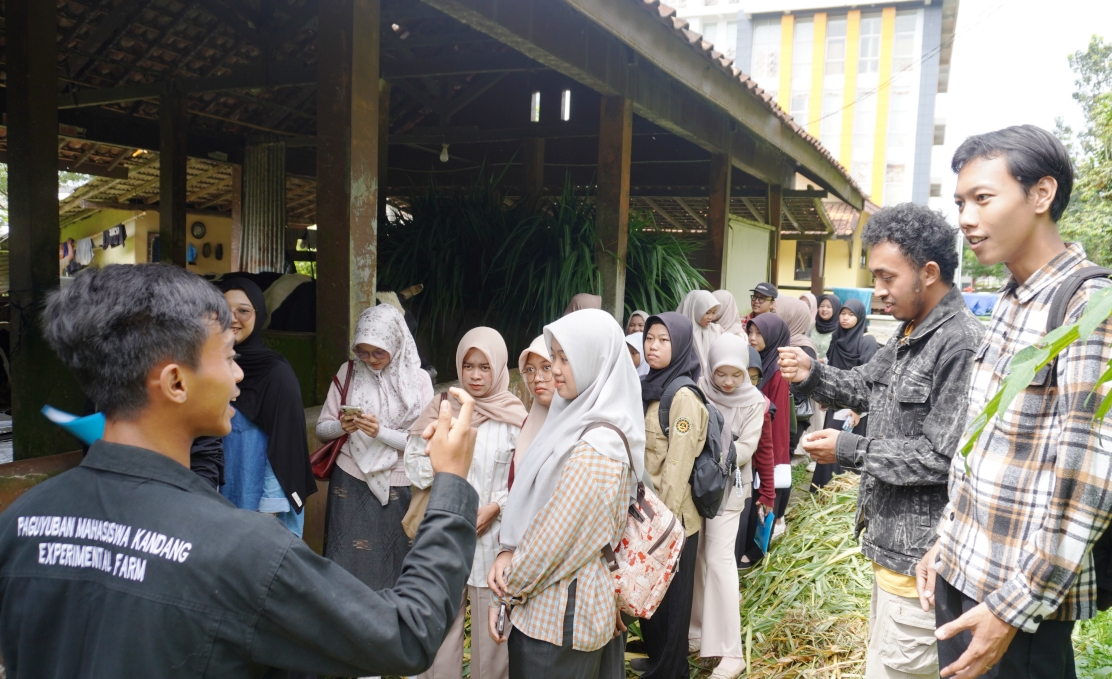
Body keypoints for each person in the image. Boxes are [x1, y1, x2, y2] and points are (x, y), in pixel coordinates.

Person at [0, 263, 481, 676]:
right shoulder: (240, 550)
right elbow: (407, 633)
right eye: (229, 356)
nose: (239, 374)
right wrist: (452, 483)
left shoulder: (23, 521)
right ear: (176, 382)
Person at [918, 125, 1112, 679]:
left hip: (1013, 601)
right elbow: (982, 446)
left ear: (1041, 194)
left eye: (983, 198)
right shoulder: (1009, 299)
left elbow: (1088, 479)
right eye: (960, 203)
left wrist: (1014, 607)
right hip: (963, 571)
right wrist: (946, 540)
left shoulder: (1089, 307)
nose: (965, 218)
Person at [780, 203, 984, 679]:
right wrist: (813, 374)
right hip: (892, 556)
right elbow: (866, 386)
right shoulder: (910, 331)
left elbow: (940, 457)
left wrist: (849, 450)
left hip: (921, 566)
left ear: (928, 273)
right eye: (875, 277)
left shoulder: (960, 343)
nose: (878, 290)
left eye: (887, 277)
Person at [489, 308, 641, 679]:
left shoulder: (596, 447)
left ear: (595, 359)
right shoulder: (578, 420)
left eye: (564, 358)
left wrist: (506, 594)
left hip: (557, 618)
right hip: (569, 607)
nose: (554, 369)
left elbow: (551, 542)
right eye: (553, 356)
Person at [407, 327, 527, 679]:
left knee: (493, 639)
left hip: (495, 542)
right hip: (446, 533)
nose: (475, 375)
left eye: (484, 367)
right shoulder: (443, 409)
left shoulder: (515, 417)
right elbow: (414, 467)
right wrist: (439, 458)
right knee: (440, 629)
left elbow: (526, 482)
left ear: (499, 367)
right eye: (468, 366)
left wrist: (497, 507)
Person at [316, 304, 433, 590]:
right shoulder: (349, 371)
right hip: (349, 480)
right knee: (344, 568)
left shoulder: (418, 380)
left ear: (396, 343)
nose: (370, 360)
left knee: (393, 568)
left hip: (398, 485)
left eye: (379, 352)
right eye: (363, 352)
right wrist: (343, 426)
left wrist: (381, 433)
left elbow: (423, 442)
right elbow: (322, 430)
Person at [630, 311, 708, 679]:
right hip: (647, 515)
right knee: (650, 596)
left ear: (679, 345)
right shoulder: (650, 386)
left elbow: (677, 468)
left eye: (664, 340)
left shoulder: (683, 397)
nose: (653, 346)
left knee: (673, 603)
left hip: (672, 521)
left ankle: (672, 670)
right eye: (649, 338)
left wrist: (664, 528)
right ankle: (657, 660)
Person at [688, 334, 770, 679]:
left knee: (720, 560)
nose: (728, 381)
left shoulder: (754, 401)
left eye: (737, 374)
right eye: (721, 373)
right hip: (696, 487)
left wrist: (714, 454)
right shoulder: (699, 389)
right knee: (697, 558)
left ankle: (730, 652)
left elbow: (748, 447)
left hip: (729, 490)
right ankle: (696, 633)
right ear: (710, 367)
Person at [217, 279, 315, 537]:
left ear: (258, 315)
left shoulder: (275, 372)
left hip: (259, 506)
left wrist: (269, 512)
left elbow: (284, 444)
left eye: (243, 310)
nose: (233, 318)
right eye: (223, 309)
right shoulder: (204, 365)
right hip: (216, 501)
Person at [808, 298, 879, 491]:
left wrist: (858, 410)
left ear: (860, 317)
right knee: (829, 446)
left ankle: (845, 492)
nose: (845, 318)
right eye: (843, 314)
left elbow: (871, 378)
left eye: (851, 315)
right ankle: (823, 492)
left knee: (847, 448)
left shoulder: (867, 342)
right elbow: (831, 368)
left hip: (856, 408)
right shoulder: (836, 338)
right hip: (836, 403)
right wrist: (825, 394)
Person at [747, 313, 792, 538]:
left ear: (773, 336)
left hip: (766, 445)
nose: (752, 338)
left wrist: (771, 456)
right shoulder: (757, 362)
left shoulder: (777, 371)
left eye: (759, 333)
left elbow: (778, 419)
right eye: (750, 332)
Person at [735, 347, 777, 570]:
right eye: (744, 376)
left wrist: (768, 493)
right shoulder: (713, 396)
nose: (750, 385)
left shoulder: (761, 405)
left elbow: (765, 451)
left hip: (741, 481)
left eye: (755, 378)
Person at [773, 295, 819, 464]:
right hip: (777, 409)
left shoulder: (803, 346)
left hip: (791, 413)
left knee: (783, 456)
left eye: (775, 313)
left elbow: (803, 385)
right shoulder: (779, 340)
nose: (772, 316)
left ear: (789, 316)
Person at [516, 335, 555, 466]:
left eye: (547, 367)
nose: (537, 378)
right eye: (530, 369)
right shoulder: (529, 424)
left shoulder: (584, 422)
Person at [677, 289, 723, 375]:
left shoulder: (716, 330)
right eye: (707, 312)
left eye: (713, 312)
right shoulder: (680, 333)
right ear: (695, 310)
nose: (711, 317)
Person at [810, 294, 842, 360]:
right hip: (808, 364)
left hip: (828, 366)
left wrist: (820, 361)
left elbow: (839, 356)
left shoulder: (840, 330)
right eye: (822, 306)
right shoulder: (812, 326)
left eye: (829, 307)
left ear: (836, 309)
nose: (824, 309)